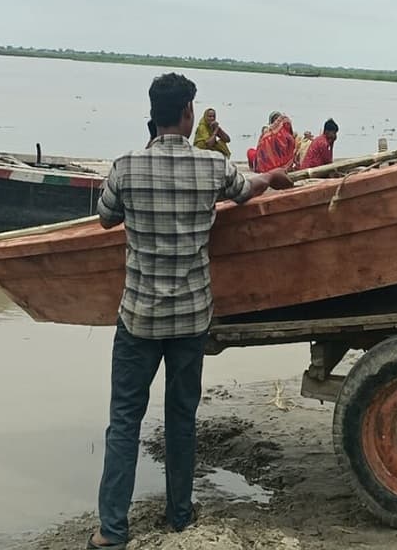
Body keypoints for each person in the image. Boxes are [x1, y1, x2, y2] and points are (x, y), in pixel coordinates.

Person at [89, 73, 292, 549]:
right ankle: (179, 516)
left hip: (139, 319)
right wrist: (273, 176)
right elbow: (248, 188)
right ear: (188, 114)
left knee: (124, 422)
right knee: (181, 419)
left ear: (152, 115)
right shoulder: (211, 168)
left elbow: (104, 217)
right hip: (190, 320)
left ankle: (112, 532)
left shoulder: (125, 167)